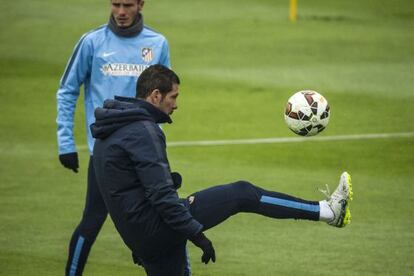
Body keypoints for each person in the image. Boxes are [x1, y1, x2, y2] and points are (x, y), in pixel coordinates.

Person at [91, 64, 354, 276]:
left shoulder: (110, 129)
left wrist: (140, 241)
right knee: (242, 193)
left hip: (142, 236)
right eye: (173, 97)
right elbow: (160, 196)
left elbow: (119, 189)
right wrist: (196, 234)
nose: (176, 104)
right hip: (155, 228)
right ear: (155, 95)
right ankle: (328, 211)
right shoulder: (144, 131)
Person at [55, 1, 171, 275]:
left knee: (158, 218)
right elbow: (67, 90)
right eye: (116, 3)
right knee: (93, 219)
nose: (121, 11)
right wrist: (66, 143)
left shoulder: (157, 43)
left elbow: (165, 95)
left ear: (141, 4)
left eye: (128, 4)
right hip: (106, 153)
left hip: (145, 151)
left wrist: (159, 139)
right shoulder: (92, 42)